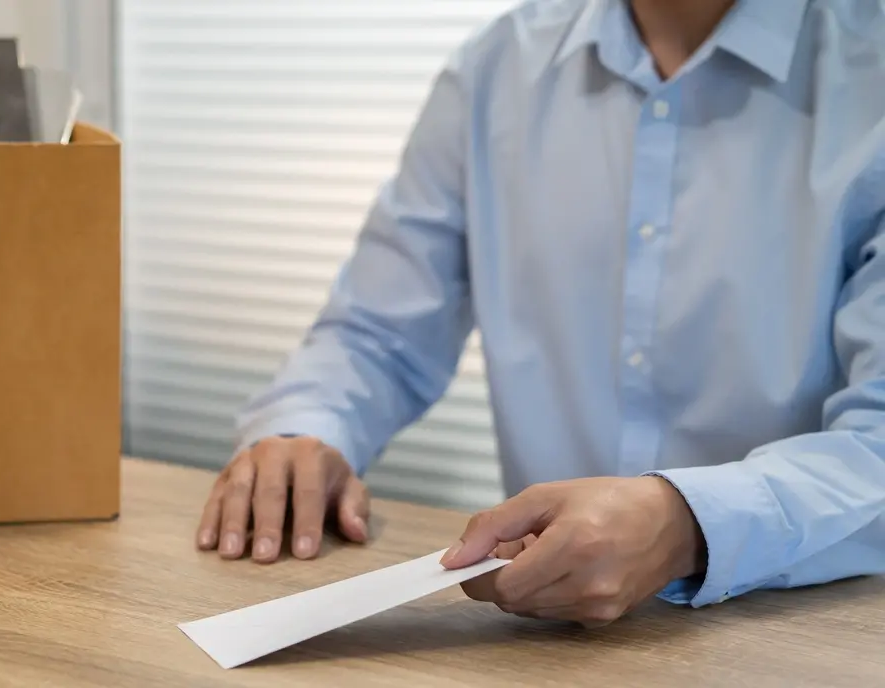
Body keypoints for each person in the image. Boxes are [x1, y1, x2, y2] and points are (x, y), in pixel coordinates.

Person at [194, 0, 885, 627]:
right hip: (541, 638)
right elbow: (378, 331)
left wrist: (687, 524)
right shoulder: (495, 69)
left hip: (810, 634)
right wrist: (308, 430)